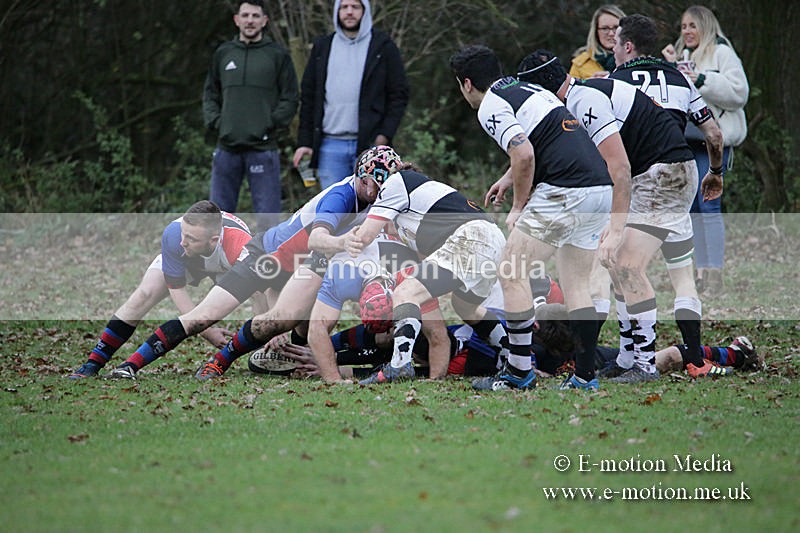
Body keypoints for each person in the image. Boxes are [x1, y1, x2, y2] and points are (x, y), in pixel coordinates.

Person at [516, 49, 723, 383]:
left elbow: (620, 167)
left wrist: (615, 227)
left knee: (626, 263)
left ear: (541, 91)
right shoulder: (578, 98)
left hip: (664, 175)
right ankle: (629, 358)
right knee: (616, 263)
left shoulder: (585, 101)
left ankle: (643, 364)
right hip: (657, 174)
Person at [105, 159, 382, 380]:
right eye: (374, 182)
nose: (378, 188)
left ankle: (251, 362)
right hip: (268, 255)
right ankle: (131, 365)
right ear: (363, 178)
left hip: (308, 263)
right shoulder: (341, 196)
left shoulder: (380, 202)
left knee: (284, 323)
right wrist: (345, 241)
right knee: (203, 317)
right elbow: (316, 238)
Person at [451, 45, 616, 391]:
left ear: (466, 84)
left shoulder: (490, 105)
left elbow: (524, 153)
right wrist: (508, 178)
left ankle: (518, 373)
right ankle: (585, 377)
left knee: (511, 272)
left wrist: (519, 206)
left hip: (564, 189)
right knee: (576, 285)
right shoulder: (527, 90)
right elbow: (542, 140)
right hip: (599, 186)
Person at [605, 14, 728, 379]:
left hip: (648, 177)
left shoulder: (616, 82)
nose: (612, 51)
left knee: (625, 266)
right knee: (681, 273)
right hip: (685, 172)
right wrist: (716, 172)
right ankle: (693, 358)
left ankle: (636, 358)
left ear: (628, 46)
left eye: (614, 44)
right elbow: (715, 135)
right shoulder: (680, 78)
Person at [323, 147, 510, 386]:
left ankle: (399, 365)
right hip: (490, 238)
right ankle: (511, 359)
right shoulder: (413, 194)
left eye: (364, 182)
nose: (366, 191)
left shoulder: (394, 184)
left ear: (372, 176)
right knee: (466, 307)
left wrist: (333, 244)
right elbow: (423, 256)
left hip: (471, 237)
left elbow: (365, 236)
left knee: (405, 292)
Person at [68, 201, 253, 379]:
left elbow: (260, 290)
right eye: (184, 234)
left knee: (249, 295)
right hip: (190, 261)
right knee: (143, 295)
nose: (183, 242)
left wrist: (267, 333)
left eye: (191, 238)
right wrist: (206, 331)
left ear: (213, 240)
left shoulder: (241, 245)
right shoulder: (175, 236)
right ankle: (92, 364)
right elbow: (177, 290)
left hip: (227, 265)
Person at [662, 6, 749, 295]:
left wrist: (700, 78)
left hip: (713, 141)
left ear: (706, 27)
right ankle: (697, 272)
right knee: (691, 207)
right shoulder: (682, 54)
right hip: (687, 139)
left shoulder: (721, 52)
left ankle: (714, 274)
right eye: (684, 26)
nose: (686, 31)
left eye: (693, 26)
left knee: (709, 204)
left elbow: (739, 93)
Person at [292, 0, 409, 189]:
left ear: (365, 11)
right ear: (337, 11)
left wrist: (384, 135)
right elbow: (309, 97)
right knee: (336, 209)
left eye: (355, 7)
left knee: (372, 209)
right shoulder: (323, 47)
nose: (349, 12)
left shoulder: (383, 46)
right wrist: (305, 142)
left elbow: (399, 94)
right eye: (344, 7)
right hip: (329, 146)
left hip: (370, 145)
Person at [203, 0, 299, 230]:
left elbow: (291, 98)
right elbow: (210, 95)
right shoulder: (224, 53)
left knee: (268, 220)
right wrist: (218, 123)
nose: (250, 21)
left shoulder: (277, 55)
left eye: (255, 16)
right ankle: (218, 263)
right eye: (245, 15)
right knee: (218, 216)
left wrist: (270, 125)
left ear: (264, 21)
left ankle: (266, 263)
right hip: (227, 148)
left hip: (263, 150)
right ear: (236, 20)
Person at [569, 4, 626, 79]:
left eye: (616, 28)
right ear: (596, 31)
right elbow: (571, 90)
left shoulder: (636, 59)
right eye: (605, 28)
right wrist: (591, 85)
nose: (611, 33)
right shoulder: (580, 64)